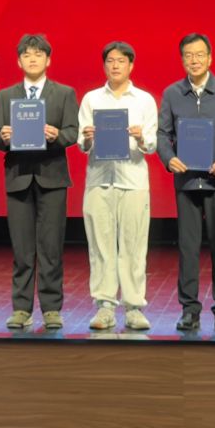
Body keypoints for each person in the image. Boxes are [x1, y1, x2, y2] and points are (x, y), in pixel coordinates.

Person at [158, 32, 215, 334]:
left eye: (199, 55)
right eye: (188, 55)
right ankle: (189, 310)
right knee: (187, 249)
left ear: (210, 58)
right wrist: (169, 158)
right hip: (186, 182)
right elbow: (163, 134)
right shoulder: (172, 93)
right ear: (182, 59)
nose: (194, 60)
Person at [0, 33, 79, 331]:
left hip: (52, 177)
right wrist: (2, 137)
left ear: (48, 60)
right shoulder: (6, 96)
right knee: (22, 249)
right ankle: (21, 308)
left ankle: (52, 309)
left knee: (51, 247)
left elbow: (73, 131)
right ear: (19, 61)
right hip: (18, 177)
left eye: (38, 54)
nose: (32, 59)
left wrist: (57, 135)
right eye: (27, 55)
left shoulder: (64, 93)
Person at [75, 41, 156, 332]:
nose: (115, 65)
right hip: (99, 181)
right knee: (100, 247)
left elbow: (152, 144)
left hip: (133, 181)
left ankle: (134, 308)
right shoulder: (91, 99)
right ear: (104, 65)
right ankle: (105, 306)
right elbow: (82, 144)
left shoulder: (144, 100)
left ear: (131, 65)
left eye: (121, 60)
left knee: (134, 247)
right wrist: (87, 137)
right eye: (110, 60)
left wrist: (141, 137)